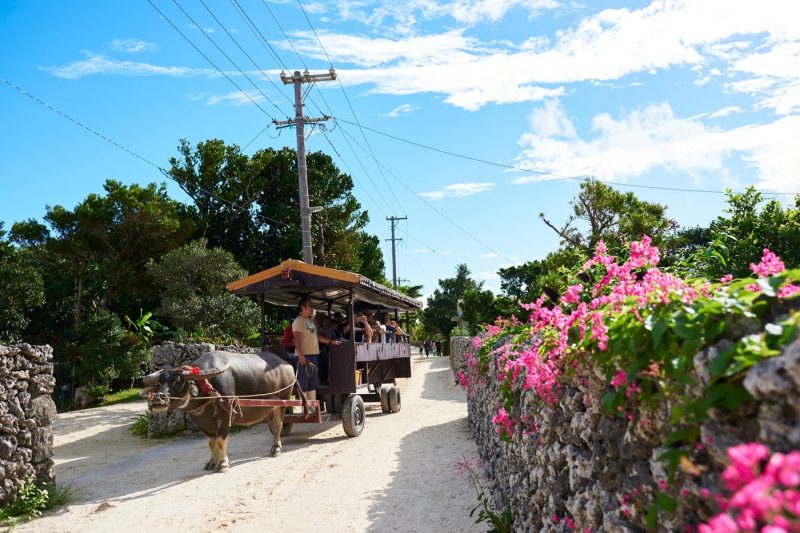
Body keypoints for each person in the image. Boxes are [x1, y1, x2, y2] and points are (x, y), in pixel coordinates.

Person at [292, 297, 340, 407]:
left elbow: (316, 336)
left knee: (313, 384)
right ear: (303, 307)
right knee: (303, 384)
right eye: (310, 306)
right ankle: (305, 409)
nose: (312, 308)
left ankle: (312, 409)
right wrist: (300, 355)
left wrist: (330, 341)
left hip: (314, 355)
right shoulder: (298, 321)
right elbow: (297, 339)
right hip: (304, 356)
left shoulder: (310, 321)